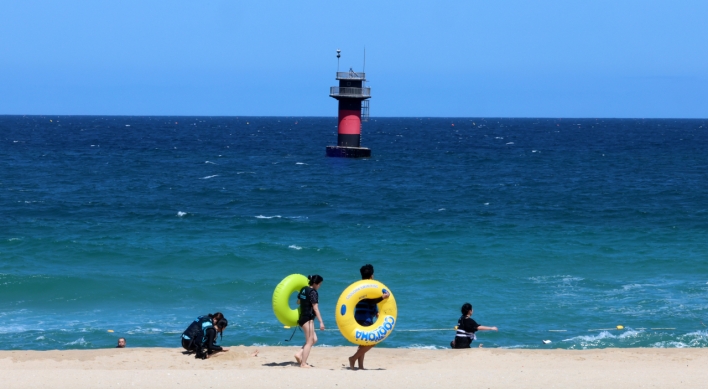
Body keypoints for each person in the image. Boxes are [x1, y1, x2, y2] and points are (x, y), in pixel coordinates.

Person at [348, 264, 390, 370]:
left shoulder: (359, 287)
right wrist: (382, 297)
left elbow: (368, 302)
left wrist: (376, 312)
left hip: (359, 316)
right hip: (365, 317)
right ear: (372, 275)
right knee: (372, 341)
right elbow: (370, 300)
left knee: (363, 343)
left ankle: (360, 366)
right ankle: (353, 358)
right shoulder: (367, 287)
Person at [294, 275, 324, 368]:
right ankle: (303, 363)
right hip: (308, 319)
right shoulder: (313, 292)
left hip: (302, 318)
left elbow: (298, 302)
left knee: (314, 339)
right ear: (315, 283)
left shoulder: (304, 289)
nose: (319, 286)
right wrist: (321, 322)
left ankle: (299, 354)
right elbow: (315, 308)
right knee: (310, 341)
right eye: (319, 284)